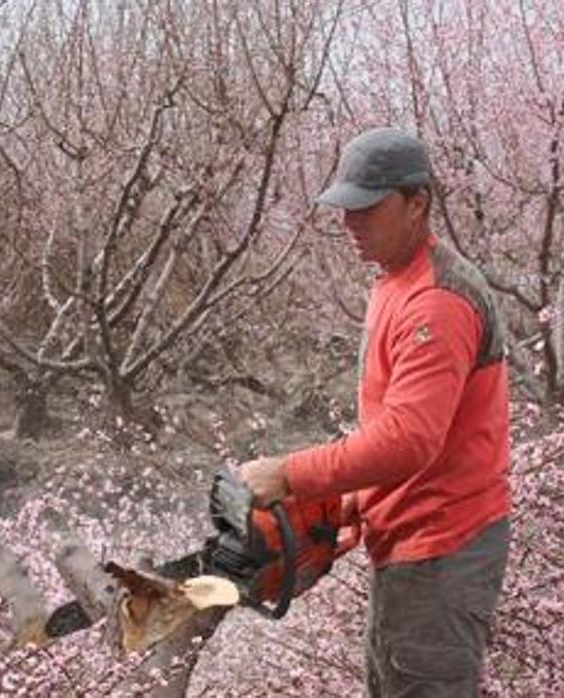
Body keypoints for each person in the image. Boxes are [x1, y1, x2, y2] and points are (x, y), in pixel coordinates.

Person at [239, 127, 512, 696]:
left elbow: (409, 438)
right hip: (411, 537)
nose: (350, 223)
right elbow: (397, 420)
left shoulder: (437, 302)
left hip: (443, 543)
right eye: (345, 208)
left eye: (366, 208)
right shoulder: (397, 281)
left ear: (417, 204)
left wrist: (289, 474)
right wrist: (355, 504)